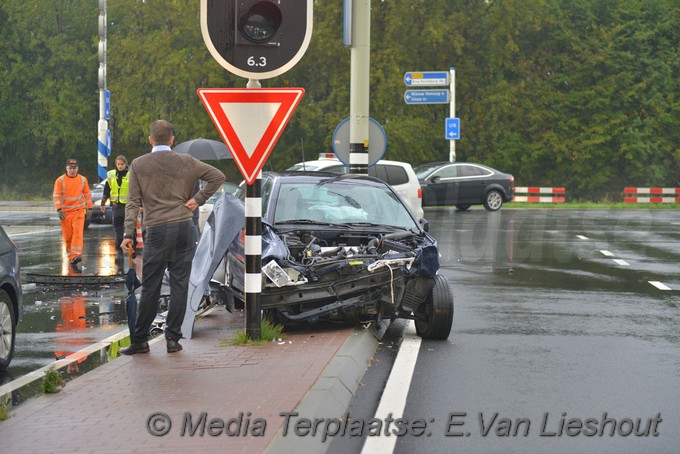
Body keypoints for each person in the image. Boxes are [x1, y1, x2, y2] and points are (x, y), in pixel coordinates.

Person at [119, 120, 225, 355]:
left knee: (151, 285)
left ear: (150, 139)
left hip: (156, 230)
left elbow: (133, 202)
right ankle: (173, 338)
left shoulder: (138, 164)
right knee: (179, 283)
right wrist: (198, 200)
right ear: (172, 139)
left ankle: (140, 341)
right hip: (182, 228)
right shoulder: (186, 161)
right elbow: (217, 176)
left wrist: (128, 233)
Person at [53, 159, 93, 269]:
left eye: (74, 168)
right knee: (68, 236)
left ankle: (76, 254)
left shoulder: (83, 180)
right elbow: (56, 196)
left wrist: (89, 208)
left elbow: (87, 194)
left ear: (77, 168)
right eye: (70, 168)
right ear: (66, 168)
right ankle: (71, 257)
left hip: (79, 210)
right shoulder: (60, 181)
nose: (72, 170)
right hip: (65, 212)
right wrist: (59, 209)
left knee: (77, 231)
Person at [100, 155, 131, 268]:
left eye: (122, 164)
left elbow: (136, 190)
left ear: (125, 164)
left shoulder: (130, 175)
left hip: (128, 206)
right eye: (118, 164)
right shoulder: (111, 174)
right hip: (116, 206)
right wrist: (103, 202)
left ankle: (133, 251)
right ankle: (120, 253)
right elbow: (107, 190)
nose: (120, 166)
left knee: (129, 229)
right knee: (118, 230)